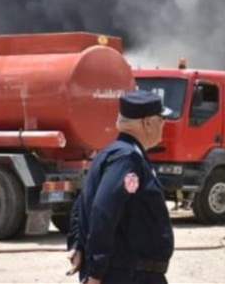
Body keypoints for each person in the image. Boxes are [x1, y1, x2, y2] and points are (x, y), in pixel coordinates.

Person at [67, 90, 174, 284]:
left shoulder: (114, 153)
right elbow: (103, 210)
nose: (164, 124)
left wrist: (78, 244)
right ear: (147, 123)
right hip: (129, 276)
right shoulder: (127, 159)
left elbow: (81, 204)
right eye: (161, 119)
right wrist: (96, 271)